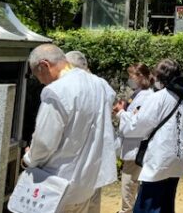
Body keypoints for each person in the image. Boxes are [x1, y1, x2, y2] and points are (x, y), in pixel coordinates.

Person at [20, 44, 117, 213]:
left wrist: (28, 158)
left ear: (44, 65)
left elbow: (44, 142)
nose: (40, 81)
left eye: (37, 75)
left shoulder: (56, 90)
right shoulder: (100, 84)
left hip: (58, 184)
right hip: (88, 182)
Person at [115, 59, 183, 213]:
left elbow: (137, 126)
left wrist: (122, 115)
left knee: (147, 206)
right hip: (175, 159)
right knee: (166, 204)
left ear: (159, 77)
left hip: (158, 161)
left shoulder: (158, 98)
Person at [64, 50, 117, 213]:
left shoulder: (72, 84)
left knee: (73, 203)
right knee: (93, 202)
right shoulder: (102, 84)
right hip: (98, 153)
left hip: (77, 155)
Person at [116, 64, 155, 213]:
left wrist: (121, 113)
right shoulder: (139, 94)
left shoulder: (145, 96)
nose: (129, 79)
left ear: (140, 76)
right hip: (135, 146)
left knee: (128, 182)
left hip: (136, 146)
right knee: (133, 182)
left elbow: (135, 123)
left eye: (131, 75)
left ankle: (126, 211)